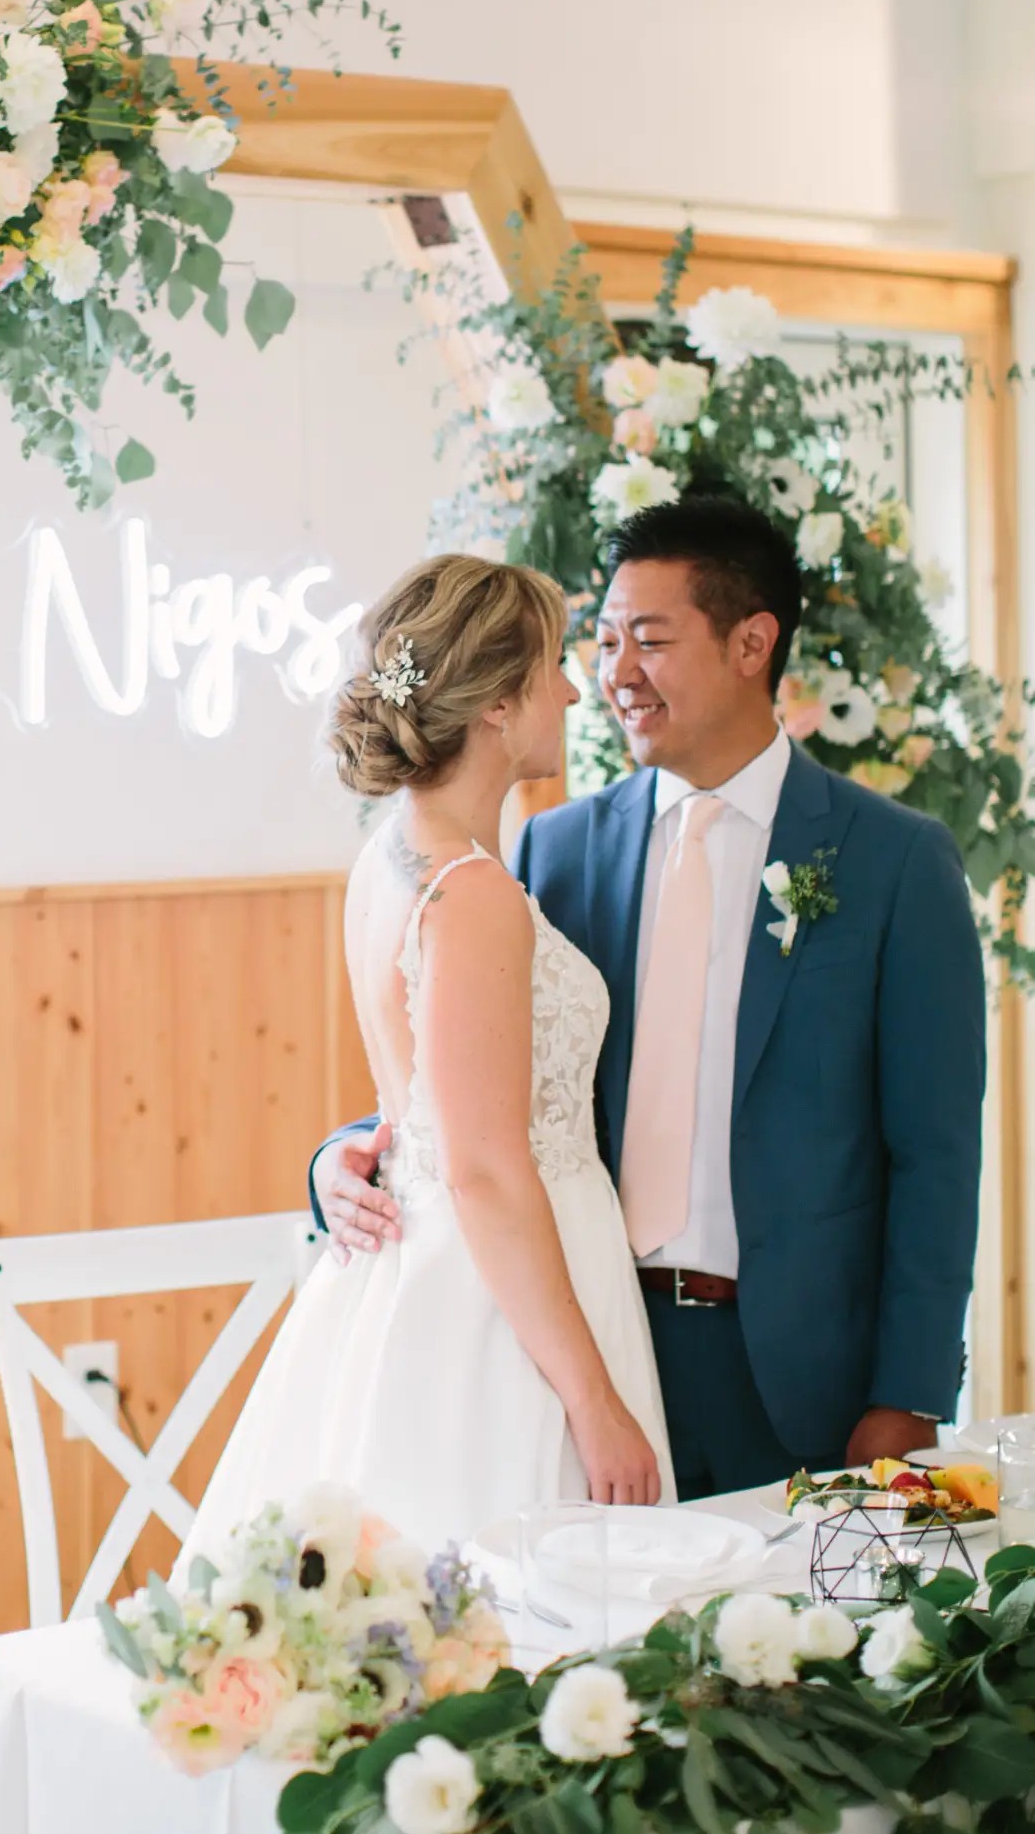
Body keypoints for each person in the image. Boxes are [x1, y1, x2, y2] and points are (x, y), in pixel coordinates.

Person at [314, 495, 987, 1500]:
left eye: (649, 639)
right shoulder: (556, 847)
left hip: (801, 1376)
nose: (611, 673)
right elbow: (487, 1083)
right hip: (581, 1341)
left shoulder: (893, 861)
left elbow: (935, 1151)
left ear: (751, 642)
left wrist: (910, 1387)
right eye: (600, 640)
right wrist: (344, 1155)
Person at [182, 553, 671, 1569]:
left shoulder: (387, 855)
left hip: (421, 1266)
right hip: (502, 1304)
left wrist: (346, 1151)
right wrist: (590, 1394)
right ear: (496, 702)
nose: (573, 690)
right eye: (550, 669)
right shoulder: (469, 888)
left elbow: (418, 1102)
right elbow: (485, 1165)